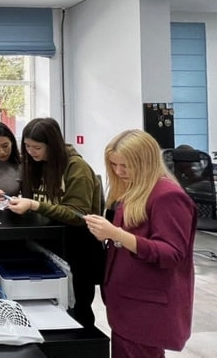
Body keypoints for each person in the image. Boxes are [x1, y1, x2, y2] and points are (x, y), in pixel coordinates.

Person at [85, 129, 196, 357]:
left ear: (145, 162)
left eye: (125, 166)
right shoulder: (136, 189)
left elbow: (172, 253)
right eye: (114, 165)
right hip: (128, 303)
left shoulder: (167, 196)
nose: (119, 172)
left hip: (145, 307)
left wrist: (116, 234)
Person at [5, 117, 103, 327]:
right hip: (48, 244)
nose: (31, 152)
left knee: (78, 308)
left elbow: (78, 214)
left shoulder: (77, 168)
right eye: (27, 146)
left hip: (78, 247)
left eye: (37, 147)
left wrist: (35, 205)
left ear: (53, 144)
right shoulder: (34, 164)